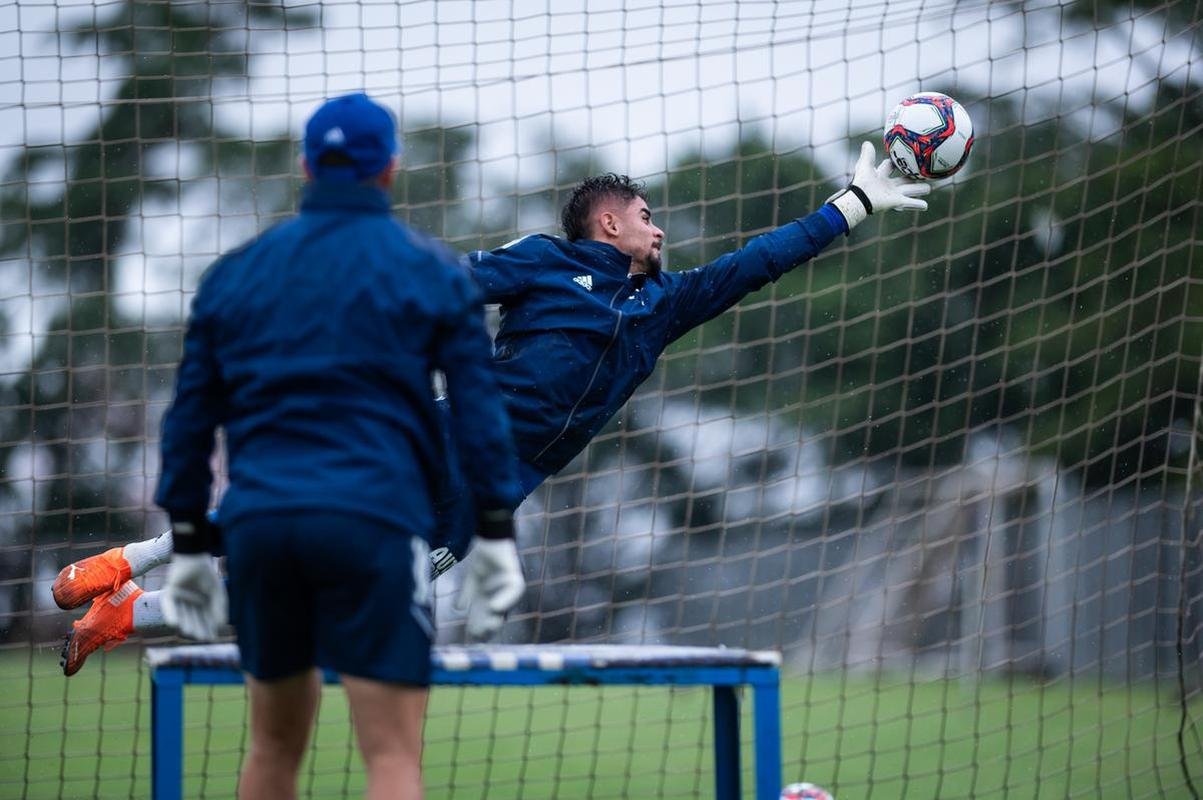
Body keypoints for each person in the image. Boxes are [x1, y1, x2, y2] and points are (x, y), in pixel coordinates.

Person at [57, 139, 931, 673]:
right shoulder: (549, 260)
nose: (659, 227)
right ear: (607, 226)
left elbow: (756, 262)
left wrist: (849, 206)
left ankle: (133, 615)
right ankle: (128, 559)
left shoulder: (663, 306)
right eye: (645, 213)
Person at [83, 93, 526, 800]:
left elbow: (189, 422)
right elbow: (478, 415)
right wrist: (496, 531)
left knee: (272, 749)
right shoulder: (433, 270)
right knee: (391, 759)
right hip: (377, 525)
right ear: (390, 168)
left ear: (305, 166)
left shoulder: (237, 273)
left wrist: (192, 545)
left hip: (264, 530)